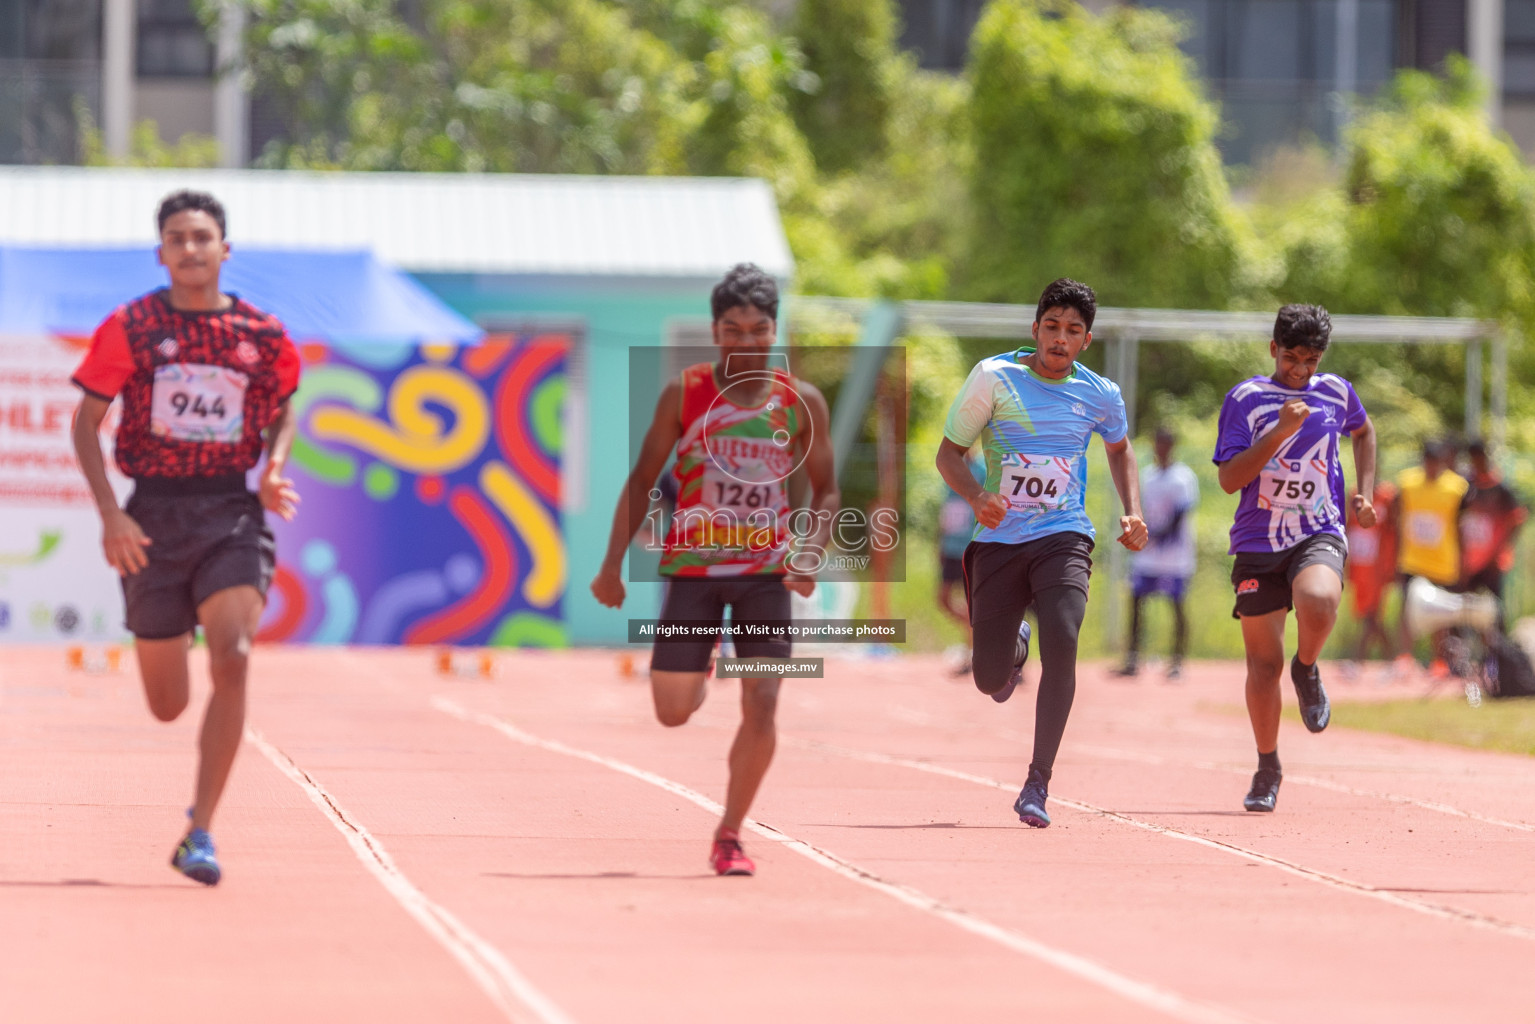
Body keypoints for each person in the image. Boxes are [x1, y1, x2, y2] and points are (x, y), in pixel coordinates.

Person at [70, 190, 302, 885]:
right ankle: (176, 622)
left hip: (229, 511)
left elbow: (285, 404)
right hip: (153, 516)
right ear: (161, 253)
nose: (191, 248)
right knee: (167, 704)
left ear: (224, 250)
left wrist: (275, 468)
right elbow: (86, 424)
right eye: (178, 238)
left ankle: (200, 829)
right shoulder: (133, 327)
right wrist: (112, 513)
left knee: (232, 657)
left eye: (203, 237)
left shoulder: (262, 334)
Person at [590, 263, 837, 877]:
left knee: (763, 704)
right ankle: (698, 662)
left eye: (759, 329)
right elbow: (643, 480)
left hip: (766, 577)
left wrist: (810, 551)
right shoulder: (687, 392)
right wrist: (610, 566)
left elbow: (828, 492)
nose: (747, 342)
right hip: (694, 573)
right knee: (672, 712)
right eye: (734, 330)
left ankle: (730, 833)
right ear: (715, 331)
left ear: (774, 330)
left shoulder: (801, 402)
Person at [936, 278, 1147, 829]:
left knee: (1066, 640)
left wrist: (1133, 509)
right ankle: (1012, 647)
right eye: (1051, 327)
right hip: (1000, 541)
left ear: (1086, 340)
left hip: (1063, 534)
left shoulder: (1100, 394)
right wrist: (978, 496)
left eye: (1072, 331)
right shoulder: (993, 378)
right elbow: (949, 455)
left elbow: (1121, 450)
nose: (1060, 338)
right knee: (989, 681)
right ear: (1035, 329)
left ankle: (1037, 783)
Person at [1214, 304, 1375, 813]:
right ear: (1273, 349)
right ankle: (1268, 766)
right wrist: (1280, 432)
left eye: (1311, 359)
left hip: (1317, 528)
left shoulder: (1336, 391)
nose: (1301, 370)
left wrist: (1363, 493)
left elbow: (1364, 433)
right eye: (1291, 358)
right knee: (1263, 664)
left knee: (1320, 600)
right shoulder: (1247, 399)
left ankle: (1307, 668)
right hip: (1258, 543)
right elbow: (1229, 479)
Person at [1113, 426, 1199, 680]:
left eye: (1165, 444)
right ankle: (1132, 657)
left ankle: (1177, 660)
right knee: (1137, 601)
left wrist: (1155, 536)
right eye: (1157, 444)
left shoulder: (1183, 478)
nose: (1160, 449)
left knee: (1177, 605)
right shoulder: (1148, 476)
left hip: (1175, 555)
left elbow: (1180, 514)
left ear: (1172, 446)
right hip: (1148, 554)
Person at [1391, 439, 1468, 675]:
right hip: (1412, 559)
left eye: (1437, 462)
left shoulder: (1458, 487)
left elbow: (1461, 525)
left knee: (1440, 613)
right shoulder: (1407, 482)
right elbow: (1396, 512)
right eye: (1429, 462)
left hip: (1442, 561)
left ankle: (1439, 661)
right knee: (1406, 610)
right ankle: (1404, 658)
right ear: (1423, 461)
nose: (1433, 467)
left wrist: (1463, 559)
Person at [1458, 438, 1526, 627]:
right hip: (1470, 560)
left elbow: (1517, 519)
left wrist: (1501, 549)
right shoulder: (1467, 486)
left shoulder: (1500, 487)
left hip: (1493, 561)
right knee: (1465, 610)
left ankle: (1497, 655)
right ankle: (1468, 653)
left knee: (1495, 611)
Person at [937, 448, 986, 675]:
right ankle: (976, 632)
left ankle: (973, 655)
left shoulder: (982, 470)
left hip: (969, 546)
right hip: (950, 546)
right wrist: (940, 542)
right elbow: (947, 508)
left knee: (972, 604)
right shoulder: (948, 466)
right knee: (943, 599)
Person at [1344, 481, 1399, 670]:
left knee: (1371, 615)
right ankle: (1392, 658)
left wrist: (1393, 564)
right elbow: (1346, 527)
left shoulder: (1388, 497)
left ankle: (1358, 659)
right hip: (1359, 565)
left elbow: (1395, 528)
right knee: (1367, 615)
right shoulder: (1353, 497)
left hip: (1378, 566)